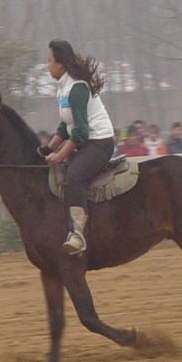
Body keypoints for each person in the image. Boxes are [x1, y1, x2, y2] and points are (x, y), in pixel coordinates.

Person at [40, 39, 115, 256]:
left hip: (99, 143)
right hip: (86, 141)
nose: (47, 65)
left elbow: (80, 131)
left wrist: (60, 154)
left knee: (75, 175)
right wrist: (48, 147)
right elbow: (66, 124)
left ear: (60, 64)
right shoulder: (63, 87)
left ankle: (78, 235)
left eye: (49, 61)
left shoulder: (77, 88)